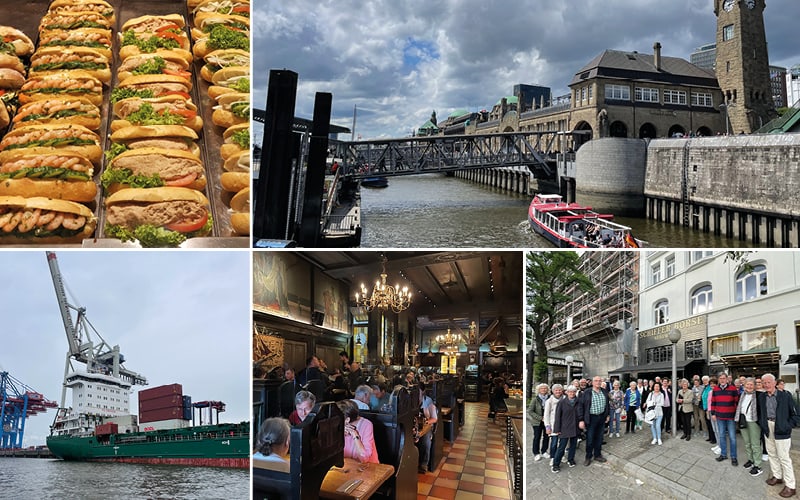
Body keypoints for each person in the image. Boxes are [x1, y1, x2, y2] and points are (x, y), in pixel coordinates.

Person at [758, 373, 800, 497]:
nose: (766, 385)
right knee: (771, 453)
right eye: (764, 383)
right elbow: (761, 413)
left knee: (784, 457)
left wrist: (786, 426)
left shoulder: (785, 396)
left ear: (775, 383)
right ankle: (777, 476)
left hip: (782, 429)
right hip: (768, 427)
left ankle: (791, 486)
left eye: (768, 382)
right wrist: (763, 424)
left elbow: (796, 415)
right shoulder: (762, 397)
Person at [577, 375, 610, 466]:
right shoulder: (587, 392)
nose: (598, 382)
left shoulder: (604, 391)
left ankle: (597, 455)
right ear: (592, 382)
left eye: (600, 381)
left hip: (601, 418)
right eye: (596, 381)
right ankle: (588, 457)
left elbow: (607, 404)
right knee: (590, 439)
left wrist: (607, 415)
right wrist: (581, 420)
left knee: (599, 438)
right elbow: (580, 406)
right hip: (591, 418)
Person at [735, 377, 763, 477]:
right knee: (747, 443)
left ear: (755, 386)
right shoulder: (742, 394)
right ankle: (751, 460)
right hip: (743, 421)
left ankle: (758, 465)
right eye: (747, 384)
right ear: (744, 385)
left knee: (755, 444)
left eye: (751, 384)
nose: (749, 386)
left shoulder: (759, 395)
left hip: (754, 422)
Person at [336, 400, 379, 464]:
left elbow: (364, 458)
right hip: (345, 466)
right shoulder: (337, 426)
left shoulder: (366, 425)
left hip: (367, 467)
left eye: (336, 419)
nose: (334, 421)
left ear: (347, 420)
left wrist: (355, 434)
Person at [711, 372, 740, 465]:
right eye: (720, 378)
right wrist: (713, 414)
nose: (722, 380)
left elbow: (737, 402)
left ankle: (734, 457)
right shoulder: (715, 389)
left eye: (724, 378)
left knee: (732, 437)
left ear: (727, 379)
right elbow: (713, 402)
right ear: (718, 380)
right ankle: (723, 454)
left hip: (730, 417)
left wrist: (735, 413)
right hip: (719, 417)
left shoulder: (733, 388)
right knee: (722, 436)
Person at [551, 385, 581, 472]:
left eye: (574, 392)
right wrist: (557, 429)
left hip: (575, 427)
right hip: (564, 428)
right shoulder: (561, 402)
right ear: (566, 392)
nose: (572, 393)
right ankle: (556, 464)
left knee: (573, 446)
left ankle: (570, 459)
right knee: (561, 447)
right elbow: (557, 417)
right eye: (570, 392)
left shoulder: (579, 402)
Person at [416, 383, 438, 473]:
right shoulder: (411, 401)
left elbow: (434, 418)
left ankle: (423, 464)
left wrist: (425, 422)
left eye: (419, 392)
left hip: (427, 427)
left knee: (425, 440)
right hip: (415, 425)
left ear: (423, 392)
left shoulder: (428, 401)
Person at [543, 383, 564, 465]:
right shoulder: (549, 401)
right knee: (554, 442)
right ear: (553, 391)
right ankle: (553, 457)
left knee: (562, 443)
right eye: (556, 390)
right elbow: (546, 415)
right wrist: (547, 426)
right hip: (553, 425)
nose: (558, 391)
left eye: (559, 390)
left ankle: (560, 456)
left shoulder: (565, 399)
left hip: (563, 425)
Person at [529, 383, 550, 461]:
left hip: (547, 422)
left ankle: (544, 451)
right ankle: (536, 453)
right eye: (542, 388)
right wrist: (540, 418)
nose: (544, 390)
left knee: (546, 436)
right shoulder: (535, 399)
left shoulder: (550, 398)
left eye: (545, 388)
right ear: (539, 390)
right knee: (537, 437)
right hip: (537, 422)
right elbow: (530, 411)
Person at [703, 376, 718, 446]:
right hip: (709, 410)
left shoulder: (718, 391)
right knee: (710, 426)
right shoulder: (709, 392)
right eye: (711, 384)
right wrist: (707, 411)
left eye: (714, 383)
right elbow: (708, 402)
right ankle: (712, 438)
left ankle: (716, 441)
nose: (712, 385)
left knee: (716, 428)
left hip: (715, 412)